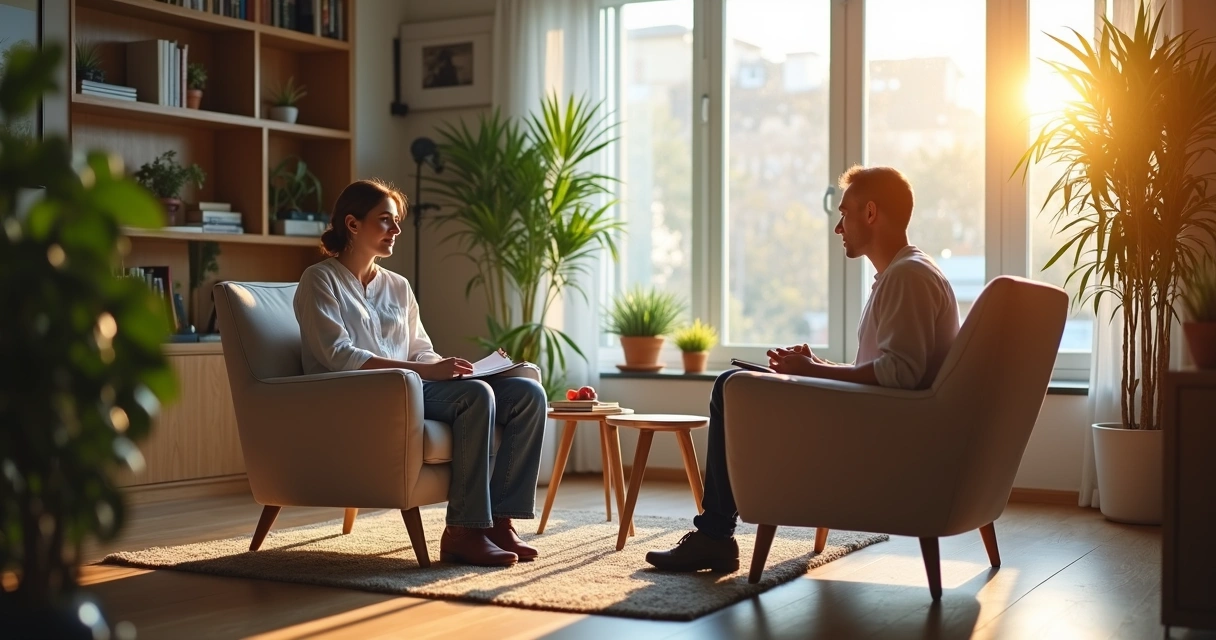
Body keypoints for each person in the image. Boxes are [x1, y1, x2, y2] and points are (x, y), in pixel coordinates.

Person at [645, 165, 961, 573]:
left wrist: (814, 370)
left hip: (879, 439)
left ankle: (715, 536)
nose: (838, 228)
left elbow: (899, 375)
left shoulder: (908, 277)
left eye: (844, 214)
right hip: (884, 423)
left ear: (870, 213)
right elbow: (888, 372)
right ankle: (714, 534)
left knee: (729, 386)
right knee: (738, 386)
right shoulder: (904, 273)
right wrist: (817, 368)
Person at [293, 179, 548, 568]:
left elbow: (419, 347)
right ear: (353, 224)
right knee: (476, 397)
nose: (396, 230)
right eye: (385, 221)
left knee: (528, 396)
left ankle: (499, 523)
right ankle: (463, 532)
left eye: (396, 221)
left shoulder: (398, 286)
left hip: (415, 387)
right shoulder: (319, 280)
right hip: (362, 396)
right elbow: (339, 356)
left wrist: (451, 369)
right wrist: (427, 370)